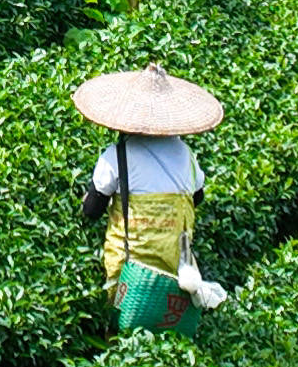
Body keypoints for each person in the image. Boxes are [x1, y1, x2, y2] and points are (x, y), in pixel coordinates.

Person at [73, 62, 230, 325]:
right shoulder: (185, 154)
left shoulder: (116, 155)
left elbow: (91, 211)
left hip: (129, 264)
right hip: (175, 263)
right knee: (166, 328)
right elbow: (198, 197)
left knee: (124, 325)